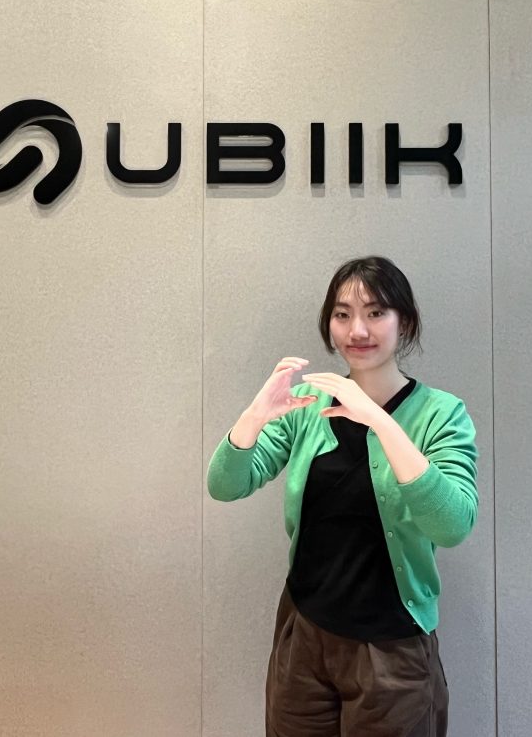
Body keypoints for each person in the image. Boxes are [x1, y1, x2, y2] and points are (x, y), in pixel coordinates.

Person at [206, 256, 479, 737]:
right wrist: (254, 416)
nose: (358, 330)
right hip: (305, 635)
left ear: (404, 322)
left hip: (392, 652)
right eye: (342, 314)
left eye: (376, 313)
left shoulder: (441, 414)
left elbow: (453, 524)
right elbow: (225, 485)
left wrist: (381, 422)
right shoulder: (307, 407)